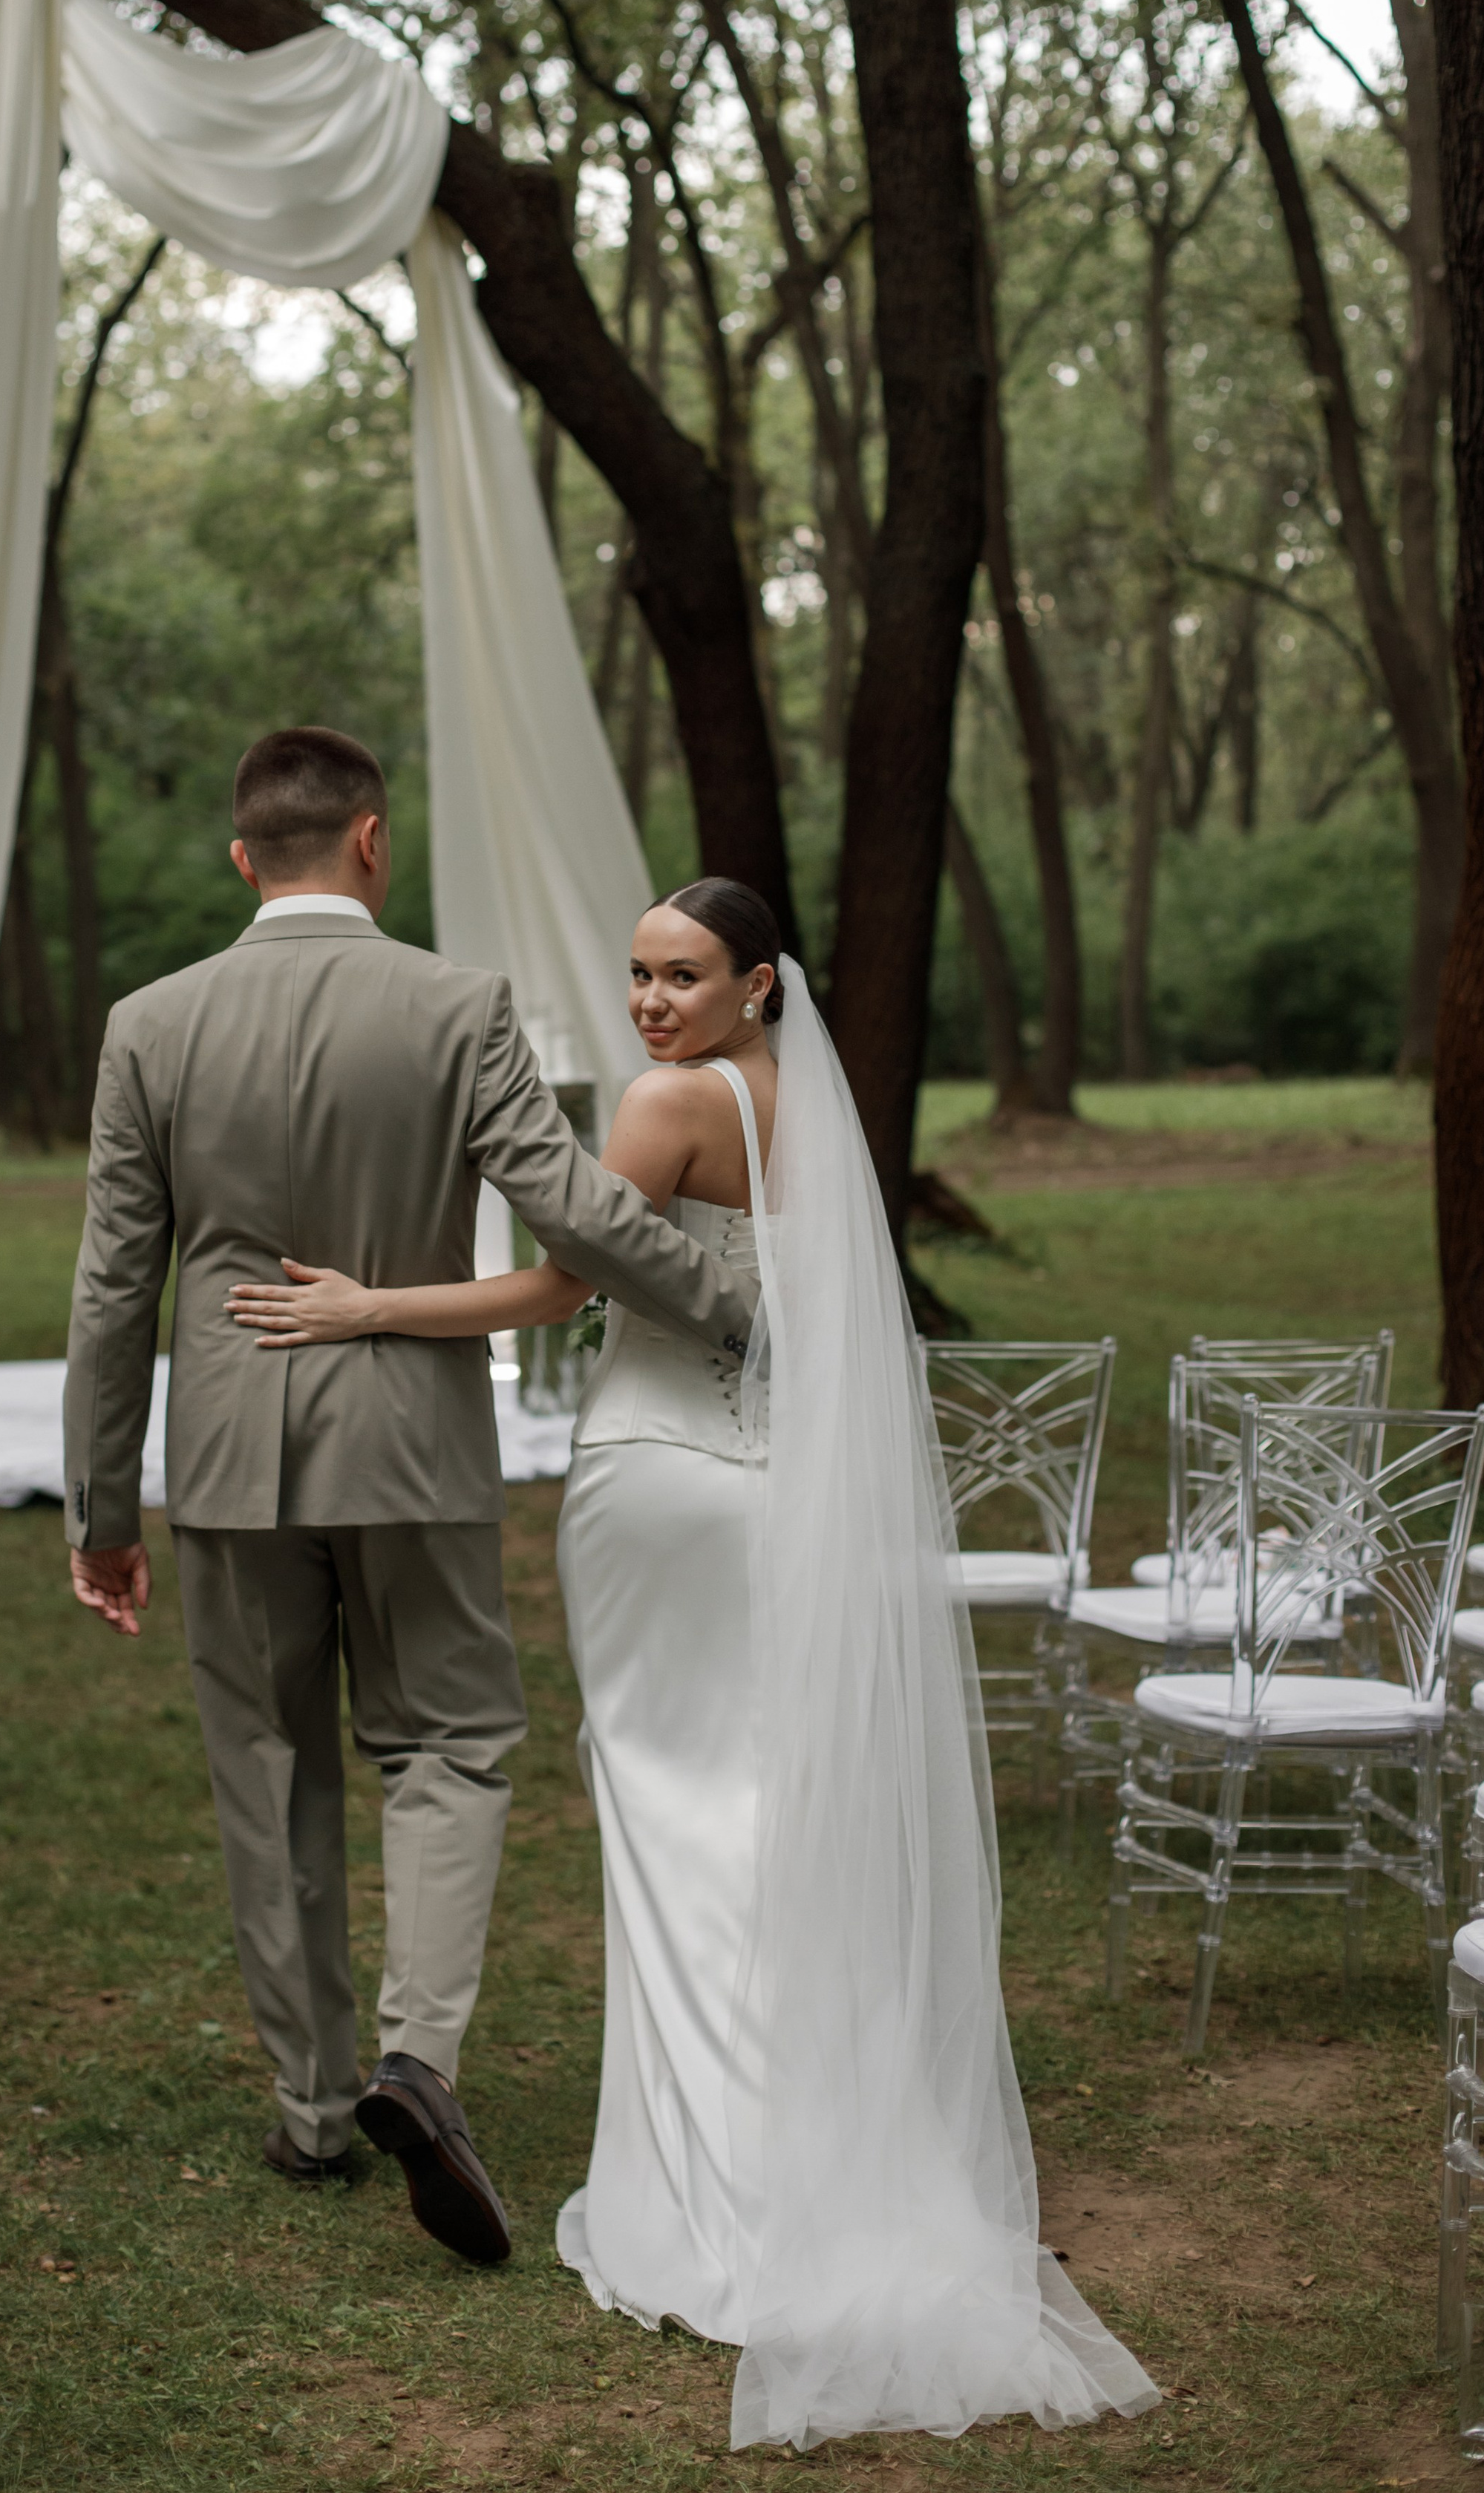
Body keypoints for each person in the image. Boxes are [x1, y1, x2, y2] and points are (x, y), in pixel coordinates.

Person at [226, 878, 1160, 2453]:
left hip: (659, 1477)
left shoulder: (668, 1103)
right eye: (641, 974)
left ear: (755, 982)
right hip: (777, 1490)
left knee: (671, 1814)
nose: (653, 1001)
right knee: (761, 1802)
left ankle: (710, 2192)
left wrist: (366, 1305)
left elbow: (559, 1282)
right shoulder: (803, 1109)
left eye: (684, 974)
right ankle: (816, 2155)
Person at [63, 730, 759, 2271]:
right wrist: (731, 1306)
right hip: (412, 1442)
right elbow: (570, 1206)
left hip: (233, 1455)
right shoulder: (454, 1005)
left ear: (247, 854)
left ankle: (314, 2107)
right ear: (371, 842)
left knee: (266, 1760)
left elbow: (115, 1281)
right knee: (445, 1744)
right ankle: (416, 2059)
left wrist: (101, 1506)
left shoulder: (148, 1024)